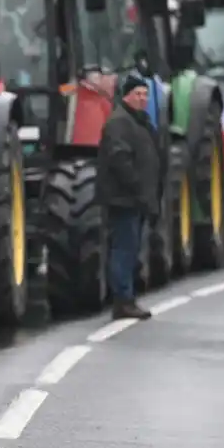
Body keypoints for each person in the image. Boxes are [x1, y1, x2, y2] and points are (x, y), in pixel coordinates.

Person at [97, 73, 160, 320]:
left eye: (145, 95)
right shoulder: (119, 123)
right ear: (126, 96)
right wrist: (137, 187)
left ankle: (128, 296)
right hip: (123, 199)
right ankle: (123, 300)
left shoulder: (140, 122)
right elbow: (119, 159)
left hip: (137, 199)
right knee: (124, 249)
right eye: (138, 94)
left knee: (131, 248)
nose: (143, 99)